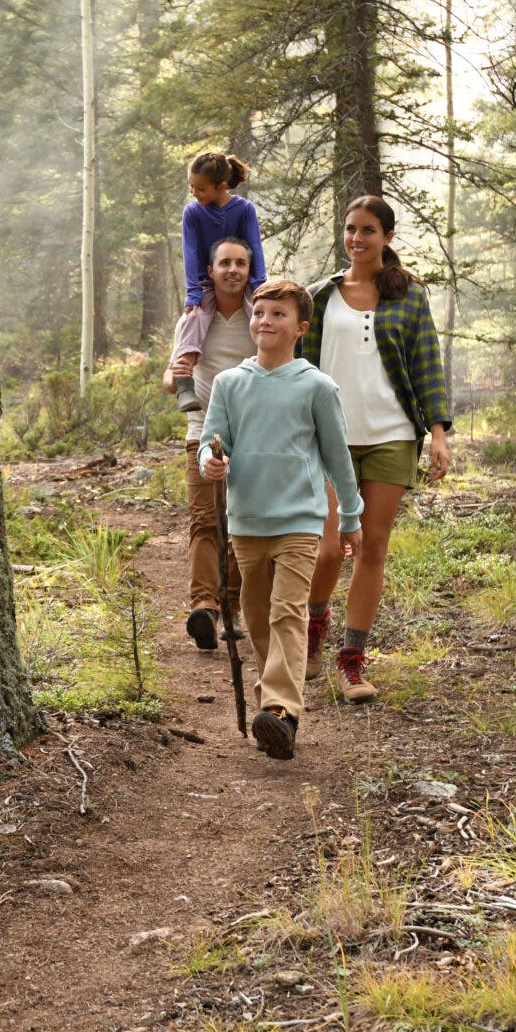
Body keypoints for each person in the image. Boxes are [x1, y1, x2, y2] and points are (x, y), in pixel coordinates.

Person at [197, 278, 362, 760]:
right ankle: (276, 703)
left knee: (288, 612)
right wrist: (213, 462)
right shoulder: (230, 383)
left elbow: (337, 458)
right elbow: (213, 442)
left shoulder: (316, 386)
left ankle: (282, 711)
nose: (265, 321)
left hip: (300, 521)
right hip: (246, 522)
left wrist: (350, 513)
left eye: (277, 315)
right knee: (258, 618)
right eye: (259, 313)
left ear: (300, 328)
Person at [302, 194, 453, 704]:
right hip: (330, 439)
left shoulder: (407, 295)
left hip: (391, 435)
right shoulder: (320, 296)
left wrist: (437, 433)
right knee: (327, 549)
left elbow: (427, 363)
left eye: (367, 230)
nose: (356, 239)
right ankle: (312, 631)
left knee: (369, 547)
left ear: (387, 237)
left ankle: (352, 662)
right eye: (350, 229)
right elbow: (298, 367)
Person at [167, 237, 257, 652]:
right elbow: (171, 381)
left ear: (249, 268)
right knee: (205, 521)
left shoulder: (260, 316)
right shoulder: (193, 317)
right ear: (211, 270)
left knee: (240, 522)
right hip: (201, 434)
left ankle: (233, 607)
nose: (233, 270)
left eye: (240, 263)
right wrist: (178, 373)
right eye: (225, 263)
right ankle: (205, 606)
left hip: (253, 436)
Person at [172, 153, 266, 412]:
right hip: (205, 280)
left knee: (262, 318)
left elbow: (254, 247)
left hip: (242, 281)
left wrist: (259, 287)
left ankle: (278, 370)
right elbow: (190, 251)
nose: (193, 192)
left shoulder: (244, 209)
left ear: (221, 186)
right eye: (191, 185)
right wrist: (193, 292)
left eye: (200, 188)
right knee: (195, 317)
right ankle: (184, 383)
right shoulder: (193, 212)